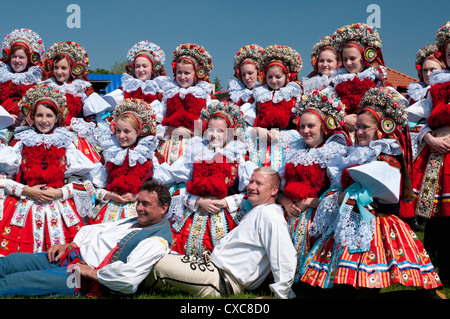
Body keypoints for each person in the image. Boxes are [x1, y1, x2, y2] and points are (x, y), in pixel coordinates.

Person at [299, 87, 442, 298]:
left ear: (381, 129)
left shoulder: (387, 154)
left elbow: (374, 195)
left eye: (365, 128)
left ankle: (425, 297)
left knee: (366, 286)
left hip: (376, 224)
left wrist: (340, 197)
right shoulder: (352, 153)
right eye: (357, 127)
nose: (358, 132)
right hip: (350, 221)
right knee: (335, 287)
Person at [0, 180, 173, 297]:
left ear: (163, 208)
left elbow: (129, 278)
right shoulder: (136, 221)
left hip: (80, 279)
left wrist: (87, 272)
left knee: (16, 282)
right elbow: (97, 230)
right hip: (70, 256)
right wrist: (70, 244)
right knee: (11, 262)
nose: (139, 208)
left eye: (146, 204)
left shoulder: (157, 240)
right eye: (139, 202)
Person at [144, 167, 297, 299]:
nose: (251, 187)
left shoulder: (270, 215)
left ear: (274, 190)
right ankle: (133, 281)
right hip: (212, 269)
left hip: (221, 281)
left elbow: (284, 255)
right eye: (251, 181)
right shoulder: (259, 210)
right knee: (155, 257)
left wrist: (280, 294)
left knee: (157, 264)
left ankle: (126, 284)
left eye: (259, 183)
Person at [0, 85, 95, 255]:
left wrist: (60, 193)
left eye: (49, 115)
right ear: (32, 116)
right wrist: (26, 190)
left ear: (57, 117)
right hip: (25, 203)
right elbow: (3, 178)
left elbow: (83, 183)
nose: (44, 120)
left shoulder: (67, 144)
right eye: (39, 115)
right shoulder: (21, 142)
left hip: (58, 204)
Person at [278, 89, 349, 282]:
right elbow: (279, 186)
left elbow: (340, 195)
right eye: (302, 126)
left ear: (324, 127)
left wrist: (309, 203)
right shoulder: (294, 150)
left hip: (319, 214)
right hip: (290, 212)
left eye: (311, 126)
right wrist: (285, 201)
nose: (305, 131)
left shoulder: (332, 152)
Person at [168, 100, 257, 256]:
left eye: (220, 131)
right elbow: (178, 186)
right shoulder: (194, 154)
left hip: (226, 215)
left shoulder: (238, 158)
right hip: (195, 213)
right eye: (210, 129)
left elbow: (249, 194)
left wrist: (225, 202)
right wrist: (198, 201)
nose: (214, 135)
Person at [87, 98, 173, 224]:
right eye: (118, 131)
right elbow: (94, 186)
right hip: (110, 208)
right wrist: (109, 195)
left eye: (127, 131)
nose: (121, 136)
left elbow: (161, 189)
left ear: (138, 132)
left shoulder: (148, 156)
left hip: (140, 210)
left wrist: (138, 196)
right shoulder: (109, 154)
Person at [412, 21, 450, 288]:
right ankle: (439, 270)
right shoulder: (436, 86)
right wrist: (429, 138)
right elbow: (414, 117)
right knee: (439, 216)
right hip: (439, 150)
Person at [39, 41, 111, 163]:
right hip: (49, 131)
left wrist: (75, 126)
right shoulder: (46, 87)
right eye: (56, 67)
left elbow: (93, 116)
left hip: (73, 133)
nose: (59, 72)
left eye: (63, 68)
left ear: (72, 69)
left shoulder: (81, 88)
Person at [156, 43, 214, 166]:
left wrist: (192, 132)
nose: (182, 77)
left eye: (187, 73)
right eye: (179, 72)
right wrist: (172, 130)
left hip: (196, 147)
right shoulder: (168, 94)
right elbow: (158, 123)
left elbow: (212, 125)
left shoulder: (205, 96)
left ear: (196, 73)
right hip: (170, 146)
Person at [247, 44, 303, 170]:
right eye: (270, 77)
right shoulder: (259, 95)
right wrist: (257, 130)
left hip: (286, 142)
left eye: (278, 77)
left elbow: (298, 123)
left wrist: (284, 134)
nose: (274, 81)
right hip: (263, 142)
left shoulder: (294, 96)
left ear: (287, 76)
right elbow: (250, 119)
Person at [327, 23, 387, 135]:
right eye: (345, 59)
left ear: (364, 57)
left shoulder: (377, 80)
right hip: (344, 133)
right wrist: (343, 119)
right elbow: (327, 108)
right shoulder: (337, 81)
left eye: (352, 58)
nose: (348, 63)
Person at [103, 40, 172, 124]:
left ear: (153, 68)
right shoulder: (126, 89)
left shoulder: (160, 90)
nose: (141, 70)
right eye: (137, 66)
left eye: (144, 66)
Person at [0, 28, 45, 141]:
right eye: (14, 56)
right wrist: (6, 119)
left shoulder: (37, 79)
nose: (17, 60)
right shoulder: (2, 76)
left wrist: (24, 119)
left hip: (27, 126)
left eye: (21, 57)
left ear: (28, 59)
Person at [226, 44, 264, 126]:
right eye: (243, 74)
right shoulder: (235, 95)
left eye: (250, 73)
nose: (246, 78)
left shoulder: (266, 93)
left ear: (259, 72)